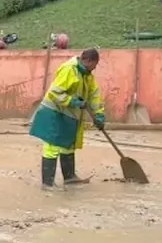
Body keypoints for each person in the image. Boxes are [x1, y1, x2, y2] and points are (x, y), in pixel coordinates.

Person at [29, 49, 105, 190]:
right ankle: (47, 183)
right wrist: (73, 102)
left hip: (69, 114)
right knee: (51, 145)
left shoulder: (87, 75)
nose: (95, 67)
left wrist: (99, 114)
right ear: (87, 60)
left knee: (68, 145)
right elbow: (54, 93)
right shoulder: (69, 70)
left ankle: (69, 177)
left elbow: (93, 95)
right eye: (95, 64)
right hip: (54, 112)